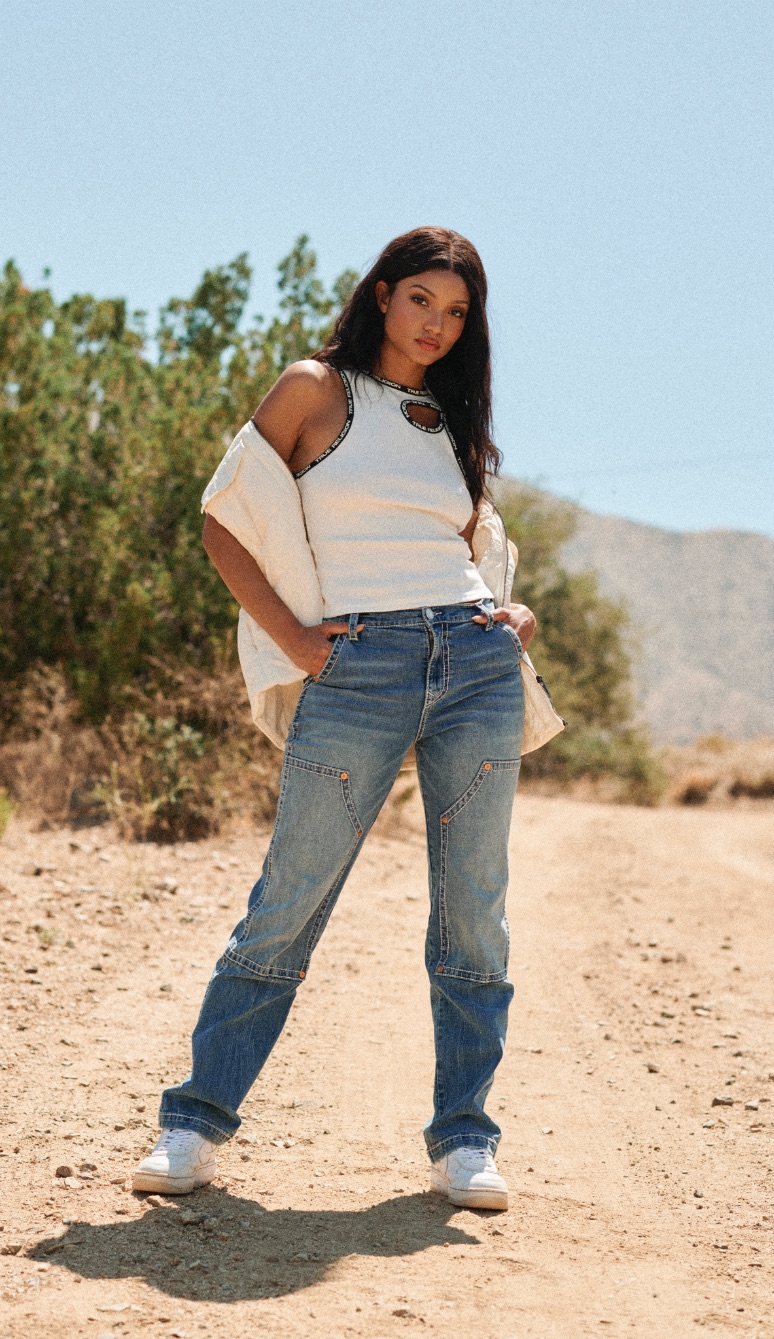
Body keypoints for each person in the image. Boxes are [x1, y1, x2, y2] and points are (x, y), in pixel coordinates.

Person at [133, 227, 538, 1211]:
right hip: (360, 666)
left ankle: (464, 1139)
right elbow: (224, 520)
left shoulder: (451, 417)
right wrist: (302, 644)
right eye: (422, 303)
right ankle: (192, 1126)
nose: (438, 326)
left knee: (473, 911)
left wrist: (508, 611)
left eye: (457, 313)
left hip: (477, 660)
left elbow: (466, 544)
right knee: (289, 901)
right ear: (384, 295)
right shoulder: (315, 389)